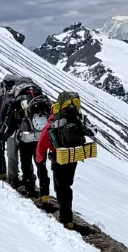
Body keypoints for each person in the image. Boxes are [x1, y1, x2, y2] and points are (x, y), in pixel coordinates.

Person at [36, 91, 93, 225]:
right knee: (67, 186)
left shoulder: (54, 122)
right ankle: (67, 215)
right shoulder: (77, 120)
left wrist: (40, 160)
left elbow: (42, 144)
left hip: (59, 158)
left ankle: (65, 218)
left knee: (60, 187)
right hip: (73, 157)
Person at [0, 80, 50, 196]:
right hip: (41, 138)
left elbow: (11, 124)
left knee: (26, 164)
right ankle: (45, 194)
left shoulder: (18, 102)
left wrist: (4, 136)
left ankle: (30, 189)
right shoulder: (42, 100)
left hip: (25, 138)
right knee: (41, 165)